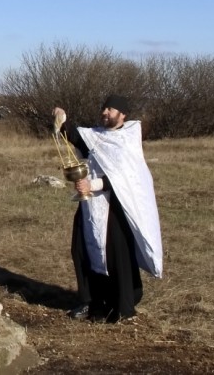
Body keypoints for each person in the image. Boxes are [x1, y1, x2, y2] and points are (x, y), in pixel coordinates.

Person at [54, 94, 163, 323]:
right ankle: (90, 302)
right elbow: (71, 135)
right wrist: (60, 118)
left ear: (122, 114)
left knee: (117, 257)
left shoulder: (128, 140)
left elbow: (126, 178)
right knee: (81, 250)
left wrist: (92, 184)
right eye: (104, 108)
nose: (105, 113)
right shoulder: (95, 136)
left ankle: (123, 307)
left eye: (111, 110)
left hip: (115, 207)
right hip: (90, 205)